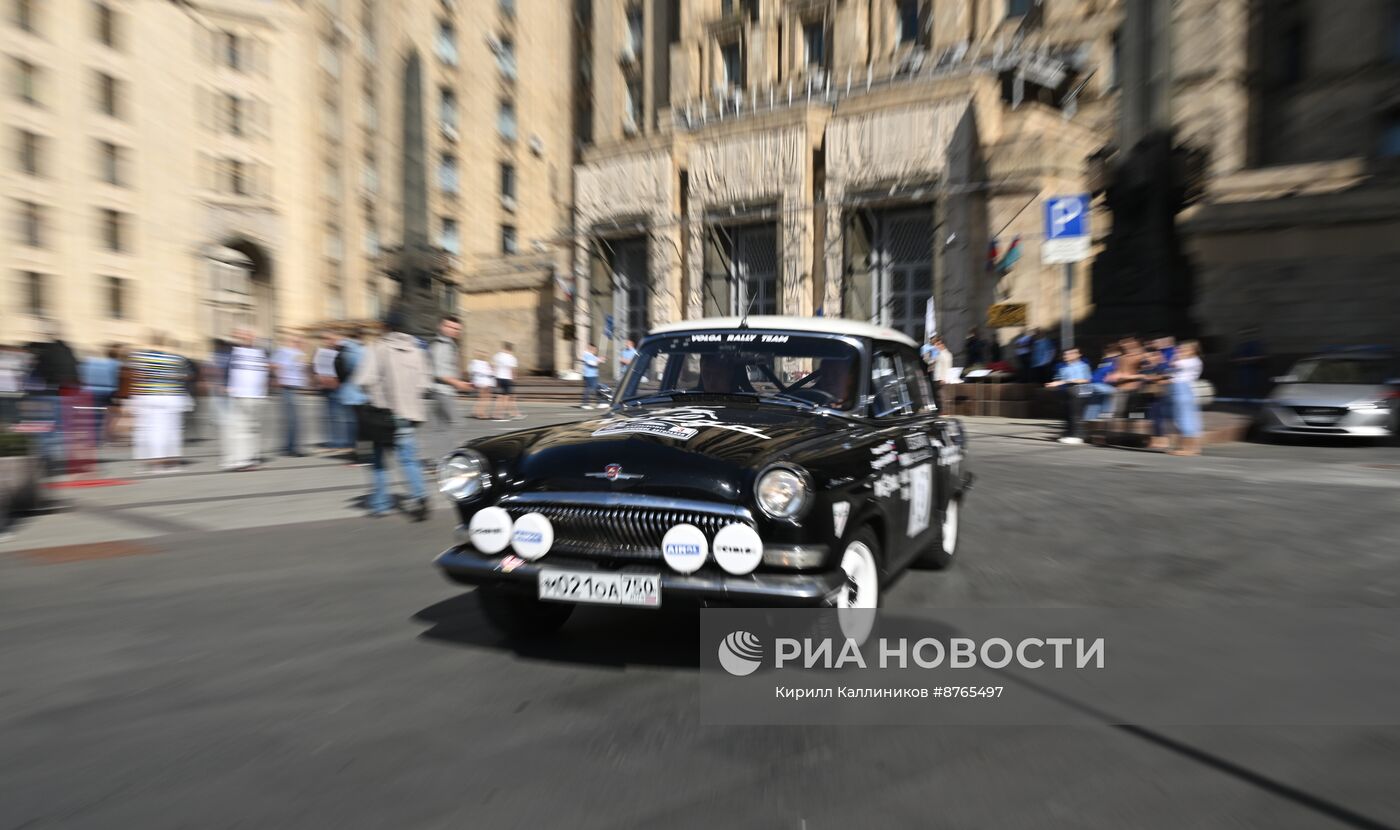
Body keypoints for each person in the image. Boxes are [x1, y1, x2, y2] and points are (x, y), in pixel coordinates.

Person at [352, 310, 433, 519]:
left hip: (383, 415)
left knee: (379, 459)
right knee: (408, 459)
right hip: (409, 415)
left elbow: (363, 380)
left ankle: (380, 504)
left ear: (387, 327)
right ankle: (420, 496)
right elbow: (425, 384)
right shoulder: (418, 350)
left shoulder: (380, 348)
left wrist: (375, 395)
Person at [127, 333, 189, 470]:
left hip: (150, 396)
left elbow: (137, 377)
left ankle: (157, 458)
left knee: (153, 429)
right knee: (172, 429)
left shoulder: (140, 357)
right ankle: (172, 457)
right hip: (173, 397)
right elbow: (183, 377)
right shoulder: (176, 358)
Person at [223, 327, 268, 471]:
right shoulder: (233, 351)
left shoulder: (261, 352)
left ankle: (250, 457)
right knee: (240, 429)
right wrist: (226, 386)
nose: (247, 337)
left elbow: (265, 372)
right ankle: (239, 460)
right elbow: (225, 369)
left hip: (257, 396)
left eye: (249, 335)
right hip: (240, 395)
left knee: (253, 428)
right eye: (244, 335)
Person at [428, 315, 469, 459]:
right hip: (443, 392)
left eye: (457, 329)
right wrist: (458, 383)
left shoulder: (448, 344)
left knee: (441, 427)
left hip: (441, 391)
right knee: (455, 424)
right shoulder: (442, 345)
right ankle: (451, 459)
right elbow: (438, 372)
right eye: (450, 327)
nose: (454, 331)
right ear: (441, 327)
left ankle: (439, 459)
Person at [271, 333, 309, 457]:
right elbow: (274, 364)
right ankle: (291, 448)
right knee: (293, 419)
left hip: (296, 388)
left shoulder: (300, 354)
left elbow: (301, 371)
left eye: (301, 341)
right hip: (287, 388)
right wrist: (279, 378)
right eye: (297, 341)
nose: (300, 344)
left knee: (295, 420)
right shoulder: (284, 351)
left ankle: (290, 446)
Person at [1045, 346, 1093, 444]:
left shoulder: (1082, 366)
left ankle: (1078, 436)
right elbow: (1059, 380)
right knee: (1067, 414)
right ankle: (1069, 433)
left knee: (1075, 414)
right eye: (1065, 354)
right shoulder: (1063, 368)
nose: (1066, 356)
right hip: (1067, 392)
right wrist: (1053, 384)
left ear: (1078, 355)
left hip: (1080, 391)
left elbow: (1085, 380)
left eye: (1070, 353)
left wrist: (1063, 382)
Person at [335, 329, 367, 465]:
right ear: (360, 337)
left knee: (353, 424)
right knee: (363, 426)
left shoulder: (343, 350)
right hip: (360, 393)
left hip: (347, 392)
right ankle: (363, 455)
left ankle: (355, 451)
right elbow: (365, 371)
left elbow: (339, 369)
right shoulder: (360, 351)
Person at [1168, 340, 1204, 457]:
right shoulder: (1190, 361)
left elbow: (1172, 364)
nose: (1180, 351)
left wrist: (1176, 355)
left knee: (1186, 419)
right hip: (1180, 389)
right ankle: (1193, 448)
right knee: (1184, 419)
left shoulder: (1192, 361)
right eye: (1180, 349)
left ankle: (1188, 449)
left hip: (1185, 390)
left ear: (1193, 350)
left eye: (1184, 349)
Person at [81, 345, 121, 448]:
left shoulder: (100, 363)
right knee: (110, 415)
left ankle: (96, 438)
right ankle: (106, 436)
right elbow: (115, 379)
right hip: (109, 391)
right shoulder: (115, 364)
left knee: (97, 415)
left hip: (94, 391)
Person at [313, 332, 343, 451]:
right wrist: (318, 378)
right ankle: (334, 440)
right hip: (326, 387)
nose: (328, 341)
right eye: (326, 339)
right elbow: (316, 367)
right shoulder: (321, 352)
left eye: (331, 339)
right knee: (330, 415)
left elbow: (341, 368)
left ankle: (338, 441)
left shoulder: (338, 352)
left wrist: (337, 380)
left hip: (336, 386)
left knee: (338, 416)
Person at [1085, 342, 1122, 422]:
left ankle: (1103, 419)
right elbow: (1099, 372)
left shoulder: (1119, 359)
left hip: (1105, 386)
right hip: (1095, 385)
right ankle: (1089, 423)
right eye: (1106, 348)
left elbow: (1117, 373)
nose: (1107, 350)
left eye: (1109, 348)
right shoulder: (1104, 360)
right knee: (1093, 405)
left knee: (1101, 402)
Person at [490, 342, 522, 421]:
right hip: (507, 379)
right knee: (506, 397)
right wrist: (514, 378)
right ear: (511, 349)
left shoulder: (497, 356)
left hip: (498, 378)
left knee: (499, 397)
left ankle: (496, 413)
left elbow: (493, 366)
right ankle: (500, 414)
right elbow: (513, 370)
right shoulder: (511, 357)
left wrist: (494, 376)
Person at [469, 350, 495, 419]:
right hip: (484, 382)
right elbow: (489, 373)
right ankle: (481, 413)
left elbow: (472, 373)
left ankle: (476, 412)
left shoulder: (475, 362)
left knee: (482, 398)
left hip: (482, 381)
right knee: (485, 398)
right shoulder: (481, 363)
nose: (484, 355)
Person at [931, 335, 954, 409]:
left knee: (942, 395)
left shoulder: (945, 354)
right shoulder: (940, 353)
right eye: (934, 344)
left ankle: (944, 411)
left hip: (941, 378)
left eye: (937, 344)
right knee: (939, 395)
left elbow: (947, 367)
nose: (935, 346)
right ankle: (941, 410)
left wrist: (943, 378)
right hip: (937, 377)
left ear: (942, 344)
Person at [579, 343, 603, 409]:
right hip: (590, 375)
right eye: (595, 349)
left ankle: (587, 403)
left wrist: (600, 359)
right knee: (593, 388)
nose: (595, 351)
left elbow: (597, 360)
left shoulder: (591, 355)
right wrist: (598, 361)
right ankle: (598, 402)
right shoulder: (587, 355)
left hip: (592, 375)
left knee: (589, 389)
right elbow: (592, 363)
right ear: (591, 349)